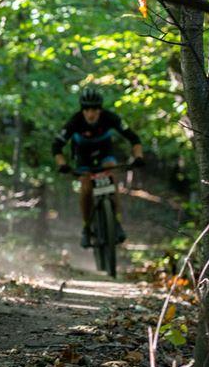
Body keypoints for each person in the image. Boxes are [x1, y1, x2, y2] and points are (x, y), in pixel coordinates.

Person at [52, 87, 144, 248]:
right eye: (87, 109)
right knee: (86, 186)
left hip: (104, 153)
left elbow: (133, 138)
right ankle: (86, 228)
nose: (91, 113)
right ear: (82, 110)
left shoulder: (110, 118)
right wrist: (62, 164)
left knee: (111, 175)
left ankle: (116, 222)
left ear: (100, 109)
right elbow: (56, 146)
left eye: (94, 109)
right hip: (82, 156)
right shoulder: (75, 121)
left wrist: (139, 157)